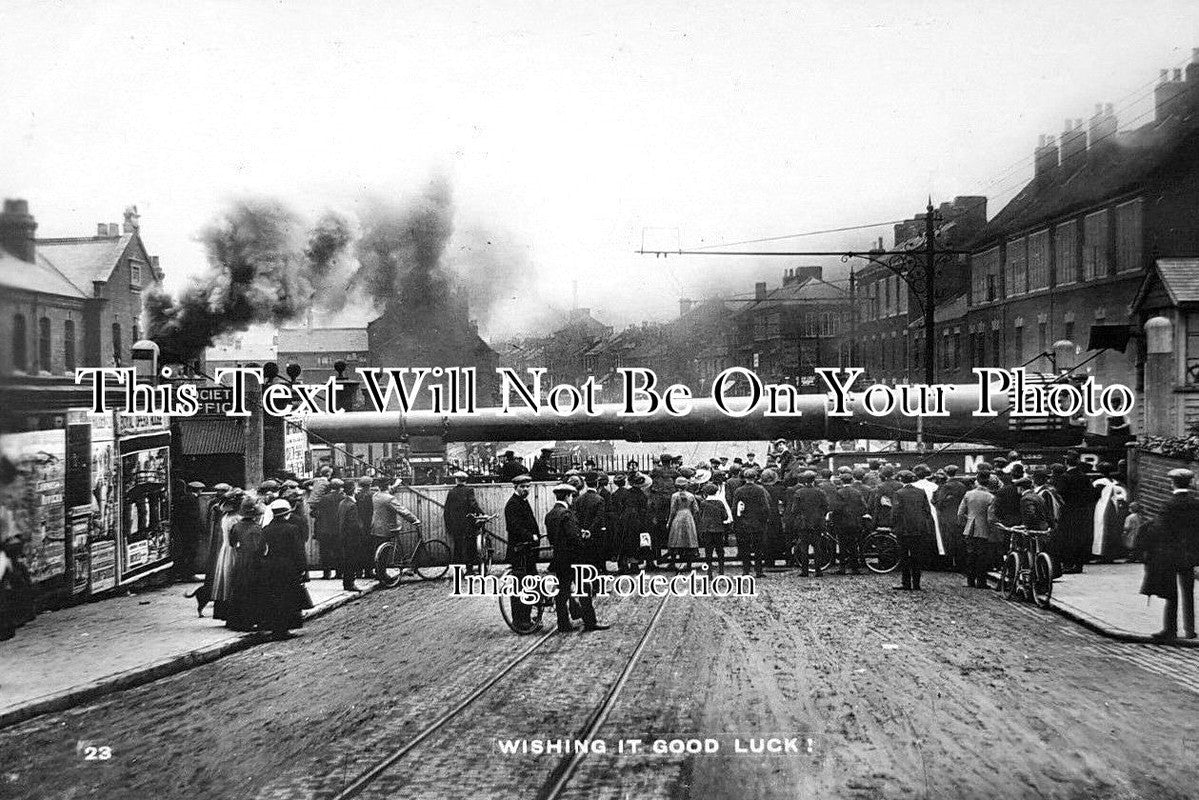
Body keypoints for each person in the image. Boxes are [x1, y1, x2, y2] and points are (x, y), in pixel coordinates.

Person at [1141, 468, 1199, 641]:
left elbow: (1159, 530)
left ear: (1172, 482)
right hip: (1190, 555)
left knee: (1171, 594)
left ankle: (1170, 630)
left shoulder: (1169, 505)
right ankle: (1190, 630)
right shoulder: (1196, 504)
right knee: (1188, 592)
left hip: (1170, 555)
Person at [545, 483, 609, 633]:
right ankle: (590, 622)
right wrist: (583, 542)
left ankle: (563, 624)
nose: (572, 500)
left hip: (559, 558)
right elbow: (573, 537)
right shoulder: (567, 514)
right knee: (584, 590)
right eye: (572, 497)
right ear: (568, 496)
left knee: (562, 592)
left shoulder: (550, 515)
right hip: (573, 559)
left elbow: (553, 537)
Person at [254, 498, 312, 639]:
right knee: (287, 598)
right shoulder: (292, 529)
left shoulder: (266, 529)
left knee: (274, 598)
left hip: (271, 567)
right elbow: (298, 551)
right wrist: (302, 568)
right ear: (286, 514)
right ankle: (284, 629)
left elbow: (261, 549)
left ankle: (275, 628)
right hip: (288, 566)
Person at [222, 496, 265, 631]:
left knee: (239, 589)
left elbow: (231, 543)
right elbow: (260, 547)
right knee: (253, 590)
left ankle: (235, 620)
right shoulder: (256, 528)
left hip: (240, 561)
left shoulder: (236, 526)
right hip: (254, 562)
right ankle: (250, 620)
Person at [504, 474, 539, 628]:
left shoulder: (523, 502)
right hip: (519, 552)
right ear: (515, 487)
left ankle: (527, 617)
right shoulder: (512, 504)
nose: (526, 489)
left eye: (527, 486)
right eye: (522, 487)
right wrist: (531, 536)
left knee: (530, 584)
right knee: (520, 587)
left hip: (527, 551)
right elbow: (514, 527)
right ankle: (520, 620)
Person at [893, 470, 935, 591]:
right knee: (917, 556)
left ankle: (906, 583)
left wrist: (895, 526)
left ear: (901, 480)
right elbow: (927, 510)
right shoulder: (921, 492)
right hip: (919, 529)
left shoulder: (899, 493)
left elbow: (896, 512)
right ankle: (916, 583)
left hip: (904, 529)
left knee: (904, 556)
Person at [1058, 452, 1097, 573]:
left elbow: (1060, 495)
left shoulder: (1065, 477)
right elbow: (1092, 494)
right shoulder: (1084, 477)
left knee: (1068, 537)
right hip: (1082, 512)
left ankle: (1068, 564)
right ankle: (1079, 564)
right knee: (1080, 537)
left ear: (1066, 463)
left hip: (1069, 512)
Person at [958, 475, 996, 588]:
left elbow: (960, 513)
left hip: (969, 528)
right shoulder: (991, 497)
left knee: (970, 554)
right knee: (982, 556)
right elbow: (991, 518)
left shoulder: (968, 494)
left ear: (977, 482)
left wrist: (967, 522)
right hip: (984, 529)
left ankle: (970, 581)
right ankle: (981, 582)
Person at [789, 471, 828, 577]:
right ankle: (818, 570)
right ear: (814, 480)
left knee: (804, 547)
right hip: (817, 523)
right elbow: (825, 507)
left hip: (804, 523)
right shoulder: (820, 492)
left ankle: (804, 570)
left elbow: (794, 509)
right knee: (817, 547)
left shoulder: (799, 492)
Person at [734, 468, 771, 578]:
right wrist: (764, 520)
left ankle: (746, 571)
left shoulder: (739, 491)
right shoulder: (760, 490)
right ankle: (758, 571)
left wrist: (737, 521)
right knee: (758, 548)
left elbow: (734, 508)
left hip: (743, 523)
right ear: (755, 478)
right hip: (758, 523)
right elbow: (766, 507)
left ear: (745, 478)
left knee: (745, 548)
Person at [445, 471, 483, 572]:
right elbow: (473, 504)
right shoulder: (469, 490)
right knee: (470, 546)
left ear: (456, 480)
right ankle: (469, 569)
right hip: (468, 523)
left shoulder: (451, 492)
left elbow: (446, 510)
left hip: (455, 525)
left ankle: (458, 569)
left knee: (458, 546)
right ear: (465, 480)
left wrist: (448, 525)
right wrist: (482, 513)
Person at [1091, 462, 1128, 561]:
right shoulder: (1117, 483)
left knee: (1101, 531)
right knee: (1113, 531)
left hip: (1101, 508)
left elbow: (1093, 496)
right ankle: (1111, 554)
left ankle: (1102, 554)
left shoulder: (1099, 483)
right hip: (1114, 508)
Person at [833, 473, 867, 574]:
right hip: (855, 522)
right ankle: (855, 568)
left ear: (841, 481)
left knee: (842, 545)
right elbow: (864, 507)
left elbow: (836, 509)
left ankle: (842, 568)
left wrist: (835, 520)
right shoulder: (857, 492)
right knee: (853, 545)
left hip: (842, 523)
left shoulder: (839, 492)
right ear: (851, 480)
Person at [172, 480, 205, 580]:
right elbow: (194, 517)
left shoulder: (184, 498)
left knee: (184, 551)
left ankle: (181, 573)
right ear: (198, 490)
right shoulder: (192, 499)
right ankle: (189, 574)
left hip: (184, 530)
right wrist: (200, 528)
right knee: (191, 552)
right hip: (191, 530)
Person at [337, 482, 365, 591]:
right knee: (352, 560)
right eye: (356, 488)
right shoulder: (352, 505)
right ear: (353, 490)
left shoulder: (342, 503)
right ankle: (350, 583)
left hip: (343, 536)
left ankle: (346, 583)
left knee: (347, 560)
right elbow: (354, 524)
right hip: (352, 537)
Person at [667, 476, 699, 571]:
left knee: (675, 540)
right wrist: (690, 515)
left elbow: (672, 510)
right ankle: (689, 565)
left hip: (678, 517)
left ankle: (673, 563)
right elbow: (696, 509)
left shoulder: (674, 496)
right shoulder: (691, 496)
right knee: (689, 540)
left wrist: (669, 521)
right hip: (688, 517)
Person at [697, 483, 731, 574]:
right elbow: (724, 516)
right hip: (718, 530)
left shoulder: (703, 503)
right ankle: (721, 570)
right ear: (716, 492)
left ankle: (709, 572)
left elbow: (700, 516)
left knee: (708, 551)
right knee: (720, 551)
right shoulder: (719, 503)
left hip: (707, 530)